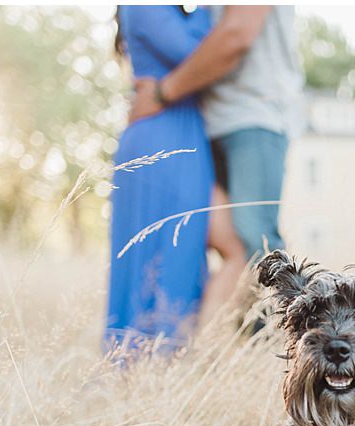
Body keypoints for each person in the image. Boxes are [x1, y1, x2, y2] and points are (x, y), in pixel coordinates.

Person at [128, 5, 304, 321]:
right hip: (204, 123)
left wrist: (163, 92)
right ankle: (204, 351)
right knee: (209, 244)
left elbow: (236, 35)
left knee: (257, 245)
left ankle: (271, 351)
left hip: (253, 116)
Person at [107, 5, 225, 355]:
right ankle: (144, 364)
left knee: (186, 251)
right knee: (160, 253)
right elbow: (199, 52)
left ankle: (176, 359)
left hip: (186, 135)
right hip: (161, 138)